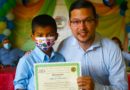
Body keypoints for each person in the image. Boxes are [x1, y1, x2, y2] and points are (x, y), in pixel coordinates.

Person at [57, 0, 128, 90]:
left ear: (96, 22)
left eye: (88, 21)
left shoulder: (112, 49)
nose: (82, 27)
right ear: (69, 24)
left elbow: (122, 88)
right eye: (76, 22)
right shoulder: (63, 47)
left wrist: (96, 88)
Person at [14, 14, 65, 90]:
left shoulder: (60, 59)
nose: (44, 38)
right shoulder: (26, 61)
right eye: (40, 35)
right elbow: (19, 84)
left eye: (50, 35)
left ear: (56, 36)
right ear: (33, 37)